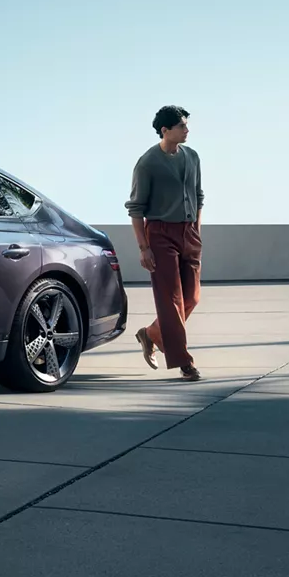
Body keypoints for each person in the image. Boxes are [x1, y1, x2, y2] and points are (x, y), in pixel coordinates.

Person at [125, 105, 204, 380]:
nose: (187, 130)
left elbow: (198, 196)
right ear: (165, 130)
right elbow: (136, 208)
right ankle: (185, 363)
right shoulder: (147, 163)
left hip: (189, 234)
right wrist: (143, 247)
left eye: (186, 125)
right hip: (159, 235)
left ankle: (151, 334)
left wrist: (196, 231)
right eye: (181, 126)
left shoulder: (192, 157)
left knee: (192, 297)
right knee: (171, 301)